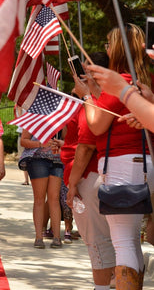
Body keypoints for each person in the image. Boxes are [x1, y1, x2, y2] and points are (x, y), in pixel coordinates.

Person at [73, 23, 153, 287]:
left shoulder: (121, 83)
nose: (105, 49)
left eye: (108, 44)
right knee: (130, 241)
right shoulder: (145, 80)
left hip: (123, 165)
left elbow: (96, 126)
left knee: (124, 242)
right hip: (143, 164)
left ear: (117, 48)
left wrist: (86, 96)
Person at [65, 97, 115, 290]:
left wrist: (72, 183)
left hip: (92, 176)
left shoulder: (93, 102)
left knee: (97, 241)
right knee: (120, 240)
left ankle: (101, 287)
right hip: (110, 174)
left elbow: (86, 146)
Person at [19, 129, 64, 249]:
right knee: (39, 198)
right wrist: (40, 144)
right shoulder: (34, 114)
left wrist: (61, 143)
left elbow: (68, 140)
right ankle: (39, 237)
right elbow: (23, 141)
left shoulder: (61, 117)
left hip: (57, 159)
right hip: (37, 159)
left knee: (54, 199)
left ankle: (57, 237)